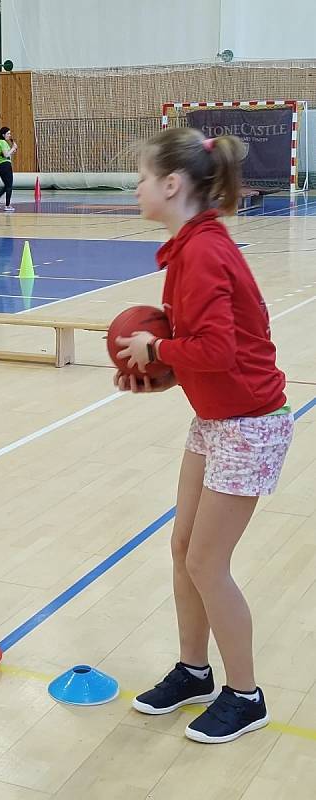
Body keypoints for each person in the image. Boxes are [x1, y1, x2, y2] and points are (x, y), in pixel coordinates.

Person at [116, 126, 294, 744]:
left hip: (250, 424)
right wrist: (163, 376)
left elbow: (216, 348)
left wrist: (157, 346)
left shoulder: (203, 252)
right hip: (217, 419)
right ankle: (194, 671)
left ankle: (246, 696)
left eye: (141, 177)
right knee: (182, 548)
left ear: (172, 184)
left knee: (207, 561)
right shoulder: (190, 246)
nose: (135, 187)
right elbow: (212, 352)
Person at [0, 126, 16, 211]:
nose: (9, 135)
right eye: (8, 133)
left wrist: (12, 150)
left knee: (7, 185)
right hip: (5, 165)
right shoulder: (2, 142)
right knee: (9, 185)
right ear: (3, 134)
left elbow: (4, 154)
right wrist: (13, 148)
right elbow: (6, 155)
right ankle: (7, 206)